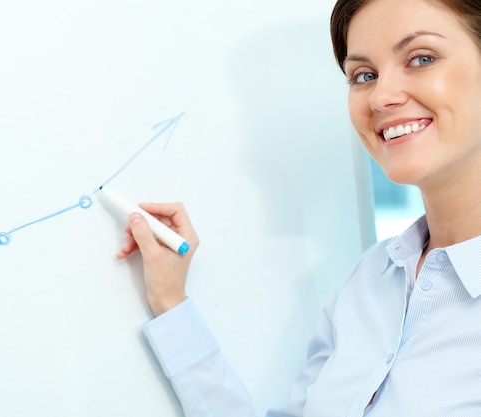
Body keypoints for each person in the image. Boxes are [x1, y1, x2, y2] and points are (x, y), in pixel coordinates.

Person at [116, 0, 481, 415]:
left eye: (421, 58)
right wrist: (170, 301)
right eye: (364, 75)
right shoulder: (369, 282)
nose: (381, 96)